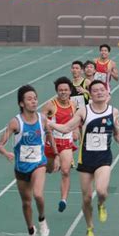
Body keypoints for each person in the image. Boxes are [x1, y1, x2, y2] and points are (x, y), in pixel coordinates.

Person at [49, 80, 119, 236]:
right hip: (86, 160)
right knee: (86, 198)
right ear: (90, 95)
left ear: (106, 93)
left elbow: (117, 131)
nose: (99, 92)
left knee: (101, 191)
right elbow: (67, 128)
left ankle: (101, 204)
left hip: (104, 158)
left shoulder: (114, 111)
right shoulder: (84, 112)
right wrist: (50, 123)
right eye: (95, 90)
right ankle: (90, 228)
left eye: (102, 90)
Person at [0, 85, 52, 236]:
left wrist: (53, 154)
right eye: (29, 99)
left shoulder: (42, 119)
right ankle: (31, 233)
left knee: (38, 194)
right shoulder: (16, 122)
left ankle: (42, 219)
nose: (34, 101)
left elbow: (48, 133)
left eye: (35, 98)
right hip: (21, 167)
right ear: (21, 103)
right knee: (26, 203)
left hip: (39, 163)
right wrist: (6, 154)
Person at [42, 77, 77, 212]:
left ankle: (63, 200)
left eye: (66, 90)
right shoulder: (50, 105)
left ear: (70, 91)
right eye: (60, 90)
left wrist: (75, 131)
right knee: (50, 169)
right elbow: (41, 121)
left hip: (66, 143)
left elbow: (75, 120)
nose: (63, 92)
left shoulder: (73, 104)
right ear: (57, 91)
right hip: (51, 143)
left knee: (65, 171)